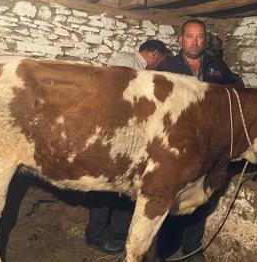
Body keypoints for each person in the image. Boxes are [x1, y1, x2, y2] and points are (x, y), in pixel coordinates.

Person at [156, 19, 243, 262]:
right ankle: (163, 246)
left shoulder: (217, 66)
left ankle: (191, 247)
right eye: (190, 37)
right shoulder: (167, 66)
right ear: (181, 39)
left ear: (205, 39)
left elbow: (232, 91)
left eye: (200, 37)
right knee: (171, 193)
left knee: (202, 193)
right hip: (176, 142)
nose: (195, 42)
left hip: (209, 142)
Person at [85, 39, 169, 254]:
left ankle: (115, 236)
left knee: (124, 190)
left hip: (130, 137)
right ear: (152, 53)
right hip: (113, 134)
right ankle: (96, 236)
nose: (157, 65)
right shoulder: (127, 61)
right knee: (105, 188)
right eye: (159, 60)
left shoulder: (138, 67)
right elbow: (116, 93)